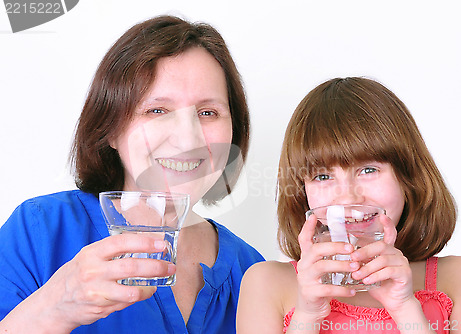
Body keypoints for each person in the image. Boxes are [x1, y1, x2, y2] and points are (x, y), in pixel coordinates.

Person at [0, 15, 264, 334]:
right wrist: (55, 306)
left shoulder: (252, 271)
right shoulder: (39, 231)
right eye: (157, 110)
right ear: (110, 128)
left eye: (208, 112)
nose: (187, 138)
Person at [236, 77, 461, 333]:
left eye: (368, 170)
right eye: (323, 176)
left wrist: (405, 307)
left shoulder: (457, 277)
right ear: (302, 193)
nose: (347, 197)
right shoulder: (265, 283)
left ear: (408, 178)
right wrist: (307, 315)